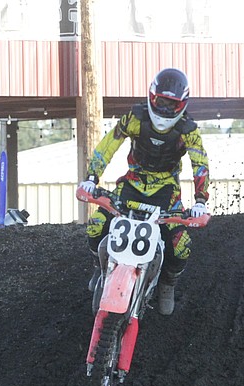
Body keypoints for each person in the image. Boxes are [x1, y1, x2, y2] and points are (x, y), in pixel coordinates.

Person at [80, 67, 210, 315]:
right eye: (160, 102)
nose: (164, 109)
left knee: (182, 245)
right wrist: (91, 176)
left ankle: (168, 283)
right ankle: (100, 266)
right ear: (152, 97)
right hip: (132, 184)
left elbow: (200, 164)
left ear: (181, 104)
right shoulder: (136, 118)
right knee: (96, 223)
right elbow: (109, 144)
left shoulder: (188, 131)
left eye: (170, 104)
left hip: (166, 192)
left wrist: (201, 200)